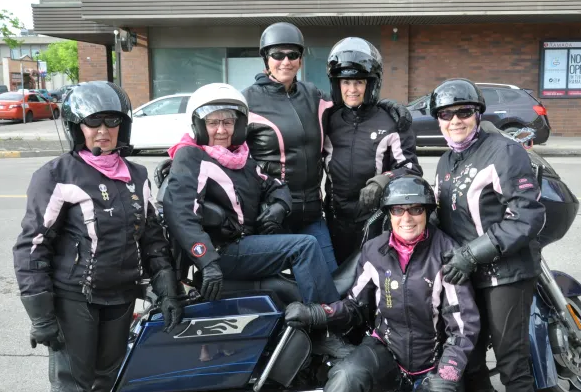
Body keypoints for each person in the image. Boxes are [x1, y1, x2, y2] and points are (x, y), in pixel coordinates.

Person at [13, 81, 183, 392]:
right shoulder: (57, 174)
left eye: (111, 122)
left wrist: (169, 290)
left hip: (120, 299)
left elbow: (152, 238)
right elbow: (32, 247)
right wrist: (41, 315)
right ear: (77, 127)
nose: (103, 131)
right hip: (74, 299)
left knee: (101, 391)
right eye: (94, 123)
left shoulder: (136, 176)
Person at [285, 176, 480, 392]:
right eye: (397, 210)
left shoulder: (447, 254)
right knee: (346, 375)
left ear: (427, 211)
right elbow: (355, 305)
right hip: (386, 349)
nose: (406, 217)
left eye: (415, 209)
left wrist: (446, 381)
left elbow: (463, 329)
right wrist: (319, 313)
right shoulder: (374, 250)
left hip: (433, 365)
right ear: (389, 214)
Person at [161, 83, 349, 357]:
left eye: (228, 121)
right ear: (199, 125)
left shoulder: (240, 158)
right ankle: (327, 330)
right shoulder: (192, 156)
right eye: (213, 123)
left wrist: (278, 207)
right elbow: (179, 212)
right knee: (304, 247)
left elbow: (274, 183)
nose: (222, 130)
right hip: (222, 252)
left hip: (242, 244)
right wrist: (206, 260)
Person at [243, 22, 413, 272]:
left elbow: (355, 104)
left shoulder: (315, 99)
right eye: (278, 55)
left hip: (320, 215)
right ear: (265, 59)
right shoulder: (247, 99)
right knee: (275, 286)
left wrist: (385, 105)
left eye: (293, 54)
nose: (285, 61)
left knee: (333, 282)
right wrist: (185, 153)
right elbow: (219, 133)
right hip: (273, 211)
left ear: (301, 59)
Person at [431, 79, 546, 392]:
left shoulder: (503, 151)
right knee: (472, 360)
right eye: (446, 114)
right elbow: (443, 217)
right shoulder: (446, 160)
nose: (455, 120)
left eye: (464, 112)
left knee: (512, 362)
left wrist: (471, 253)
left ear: (477, 115)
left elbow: (528, 216)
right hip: (463, 277)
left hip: (505, 272)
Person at [323, 37, 422, 264]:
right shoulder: (327, 119)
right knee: (337, 279)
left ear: (371, 83)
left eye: (359, 82)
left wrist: (383, 180)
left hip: (374, 219)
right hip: (334, 219)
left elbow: (411, 168)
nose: (352, 89)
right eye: (345, 82)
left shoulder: (391, 121)